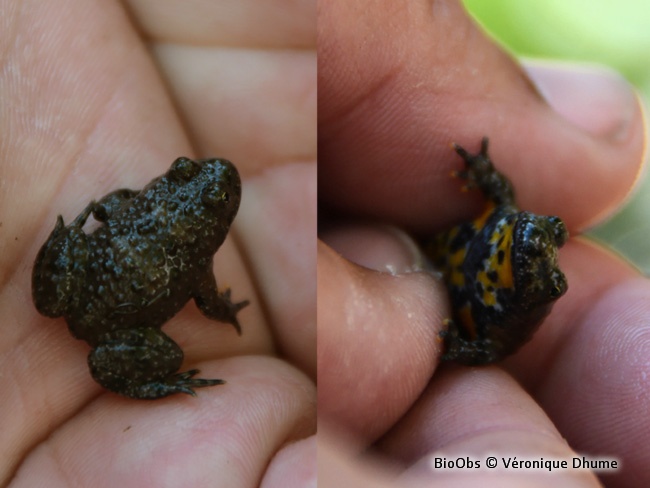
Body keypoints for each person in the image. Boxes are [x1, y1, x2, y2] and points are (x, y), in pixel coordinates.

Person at [317, 0, 647, 486]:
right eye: (550, 230)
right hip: (410, 245)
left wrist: (456, 349)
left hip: (429, 293)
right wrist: (481, 170)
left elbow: (487, 349)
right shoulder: (508, 221)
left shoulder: (508, 306)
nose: (539, 239)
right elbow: (502, 195)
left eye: (549, 274)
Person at [4, 1, 315, 485]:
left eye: (211, 196)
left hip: (98, 312)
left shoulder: (158, 217)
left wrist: (96, 219)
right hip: (105, 312)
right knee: (171, 358)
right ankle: (165, 382)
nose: (206, 172)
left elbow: (110, 206)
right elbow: (208, 303)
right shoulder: (196, 264)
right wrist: (228, 312)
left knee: (89, 263)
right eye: (184, 171)